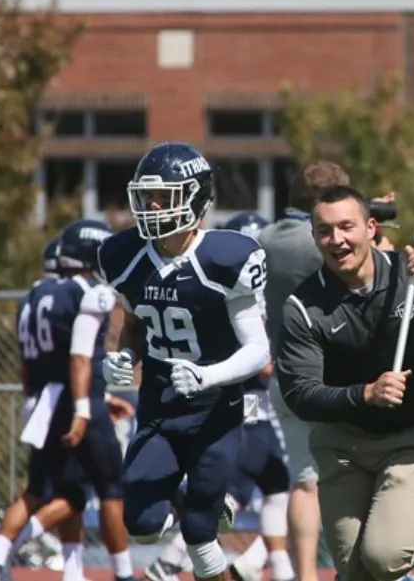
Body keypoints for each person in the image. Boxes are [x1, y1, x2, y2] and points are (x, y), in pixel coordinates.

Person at [276, 185, 414, 581]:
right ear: (314, 237)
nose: (337, 240)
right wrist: (365, 394)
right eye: (324, 230)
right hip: (340, 445)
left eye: (347, 227)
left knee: (383, 558)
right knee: (354, 570)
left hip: (406, 438)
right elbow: (301, 395)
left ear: (371, 227)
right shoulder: (302, 307)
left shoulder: (413, 273)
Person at [98, 142, 272, 581]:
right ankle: (189, 496)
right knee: (141, 527)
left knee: (199, 531)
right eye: (148, 196)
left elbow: (258, 348)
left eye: (165, 196)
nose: (153, 207)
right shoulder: (126, 256)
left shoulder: (225, 258)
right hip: (159, 406)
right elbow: (134, 324)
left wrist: (208, 374)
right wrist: (120, 357)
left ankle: (203, 514)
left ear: (195, 197)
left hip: (214, 410)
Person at [0, 219, 135, 581]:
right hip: (78, 401)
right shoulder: (89, 292)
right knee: (111, 488)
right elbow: (79, 357)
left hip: (43, 400)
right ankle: (124, 574)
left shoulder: (33, 294)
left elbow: (27, 366)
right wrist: (85, 405)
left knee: (48, 491)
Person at [257, 160, 354, 581]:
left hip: (286, 374)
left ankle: (305, 576)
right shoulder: (323, 243)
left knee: (305, 483)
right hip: (335, 375)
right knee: (357, 477)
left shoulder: (263, 239)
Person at [219, 210, 295, 581]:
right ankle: (166, 566)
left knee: (280, 488)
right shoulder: (236, 295)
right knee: (229, 498)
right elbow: (259, 362)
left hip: (258, 407)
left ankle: (266, 568)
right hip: (244, 408)